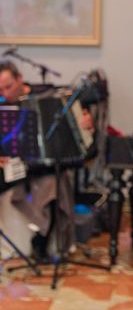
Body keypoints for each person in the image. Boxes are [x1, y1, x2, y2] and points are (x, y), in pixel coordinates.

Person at [0, 59, 74, 261]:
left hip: (43, 165)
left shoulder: (44, 96)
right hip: (12, 166)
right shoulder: (2, 107)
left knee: (53, 181)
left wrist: (83, 122)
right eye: (1, 90)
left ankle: (42, 239)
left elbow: (67, 130)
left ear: (20, 79)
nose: (5, 94)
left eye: (9, 87)